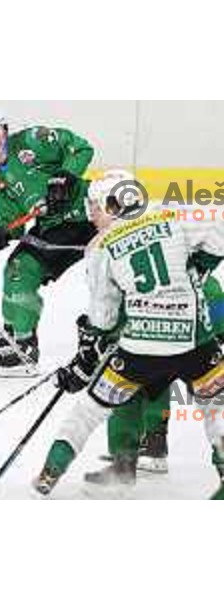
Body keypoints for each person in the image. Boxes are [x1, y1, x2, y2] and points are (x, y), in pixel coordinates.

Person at [38, 169, 224, 499]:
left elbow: (104, 318)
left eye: (94, 206)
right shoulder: (173, 218)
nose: (90, 214)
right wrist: (204, 262)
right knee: (217, 408)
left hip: (147, 345)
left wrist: (90, 349)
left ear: (114, 205)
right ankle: (135, 459)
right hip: (196, 338)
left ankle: (50, 473)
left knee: (93, 406)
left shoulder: (101, 246)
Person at [0, 108, 96, 377]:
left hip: (84, 219)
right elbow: (12, 223)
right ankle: (13, 331)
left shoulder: (31, 141)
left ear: (3, 131)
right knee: (14, 269)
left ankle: (25, 351)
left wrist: (65, 176)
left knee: (22, 268)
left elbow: (81, 148)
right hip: (51, 226)